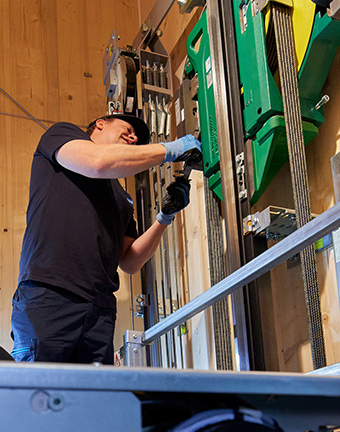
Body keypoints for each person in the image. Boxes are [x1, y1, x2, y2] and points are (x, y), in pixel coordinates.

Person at [10, 113, 201, 364]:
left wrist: (164, 218)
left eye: (137, 139)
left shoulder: (122, 198)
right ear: (100, 123)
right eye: (128, 129)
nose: (133, 138)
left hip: (99, 310)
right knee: (38, 394)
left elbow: (129, 262)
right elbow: (97, 162)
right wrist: (172, 149)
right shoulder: (63, 135)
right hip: (51, 294)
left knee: (94, 398)